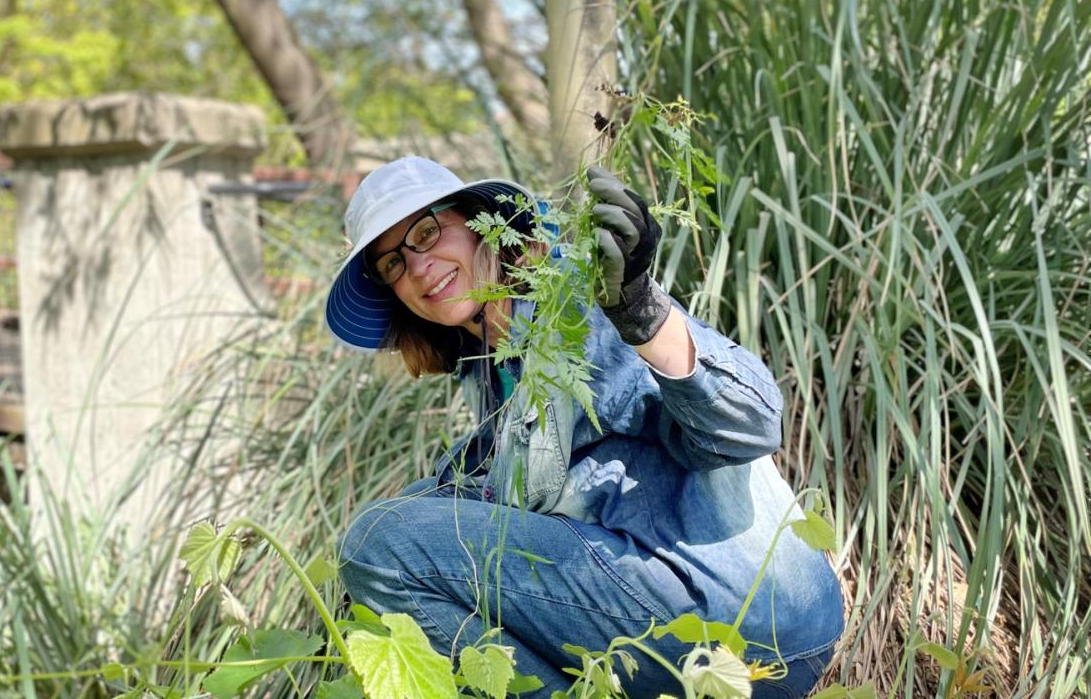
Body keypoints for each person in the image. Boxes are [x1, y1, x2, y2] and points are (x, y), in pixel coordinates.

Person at [328, 156, 844, 697]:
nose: (415, 266)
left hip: (744, 630)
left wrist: (641, 311)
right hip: (673, 616)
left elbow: (753, 426)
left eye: (427, 232)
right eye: (390, 264)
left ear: (481, 220)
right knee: (416, 504)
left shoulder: (577, 307)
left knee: (375, 544)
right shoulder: (491, 361)